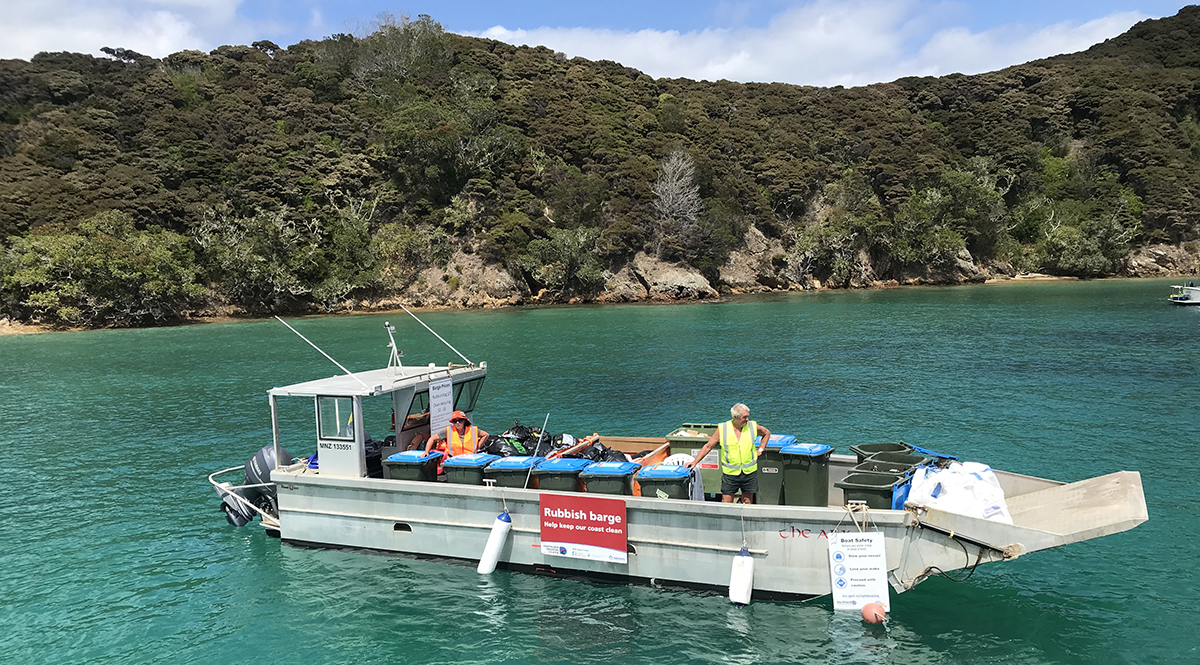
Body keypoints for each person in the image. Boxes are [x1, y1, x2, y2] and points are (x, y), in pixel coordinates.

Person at [688, 403, 770, 504]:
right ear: (735, 417)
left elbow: (767, 433)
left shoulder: (752, 426)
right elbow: (708, 446)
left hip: (749, 472)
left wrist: (760, 450)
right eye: (744, 417)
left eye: (748, 416)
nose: (747, 419)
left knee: (747, 502)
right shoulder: (723, 428)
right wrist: (695, 462)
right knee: (726, 501)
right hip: (730, 474)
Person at [425, 410, 489, 459]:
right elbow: (432, 438)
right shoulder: (448, 430)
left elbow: (486, 435)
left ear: (464, 421)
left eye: (460, 420)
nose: (458, 423)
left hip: (470, 459)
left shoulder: (473, 430)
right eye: (455, 421)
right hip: (453, 460)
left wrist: (477, 447)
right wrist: (426, 452)